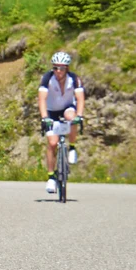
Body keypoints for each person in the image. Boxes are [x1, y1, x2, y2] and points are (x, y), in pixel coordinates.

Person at [38, 51, 85, 194]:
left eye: (62, 68)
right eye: (55, 68)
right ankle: (51, 177)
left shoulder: (74, 79)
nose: (58, 71)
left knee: (73, 117)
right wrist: (44, 117)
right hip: (51, 111)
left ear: (67, 69)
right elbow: (42, 100)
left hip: (67, 108)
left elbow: (80, 99)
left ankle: (71, 147)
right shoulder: (47, 78)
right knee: (52, 143)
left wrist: (80, 115)